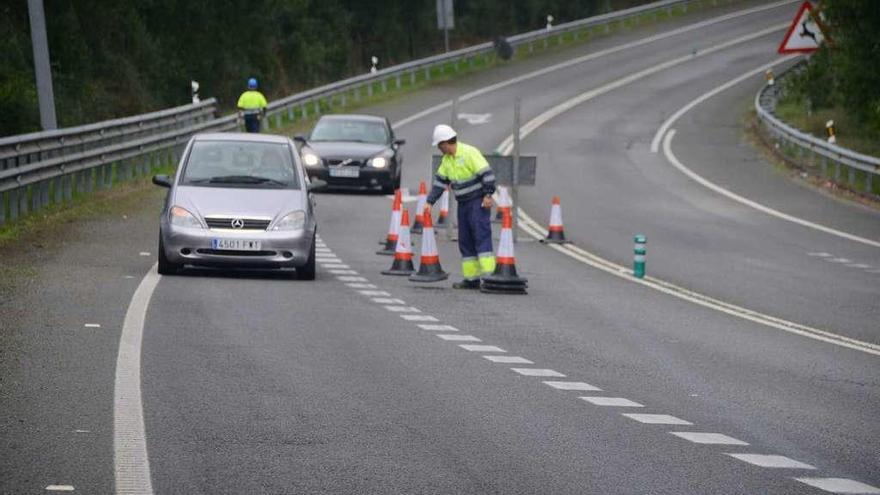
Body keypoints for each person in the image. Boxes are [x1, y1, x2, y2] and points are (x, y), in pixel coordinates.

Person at [426, 124, 497, 289]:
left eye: (439, 145)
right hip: (463, 203)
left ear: (445, 143)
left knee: (481, 236)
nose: (438, 148)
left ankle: (490, 277)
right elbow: (439, 182)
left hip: (478, 202)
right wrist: (430, 201)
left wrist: (488, 195)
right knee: (465, 240)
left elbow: (487, 174)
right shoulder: (447, 160)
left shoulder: (469, 152)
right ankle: (471, 279)